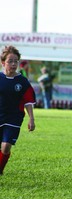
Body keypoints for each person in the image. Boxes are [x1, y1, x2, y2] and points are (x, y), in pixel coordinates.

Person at [0, 45, 36, 175]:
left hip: (14, 118)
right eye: (10, 61)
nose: (13, 64)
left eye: (16, 61)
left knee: (6, 146)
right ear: (3, 62)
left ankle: (0, 169)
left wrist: (31, 118)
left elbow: (28, 101)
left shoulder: (22, 81)